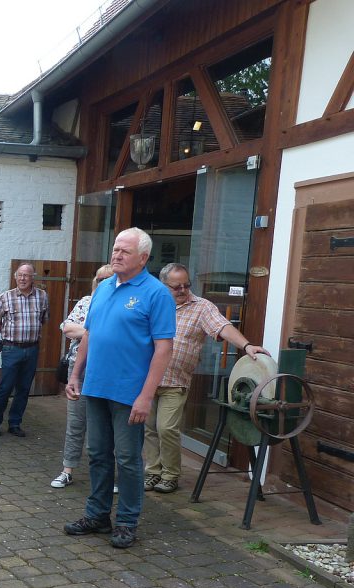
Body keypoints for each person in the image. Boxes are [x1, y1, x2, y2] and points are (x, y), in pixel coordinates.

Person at [63, 228, 176, 549]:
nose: (116, 255)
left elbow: (163, 349)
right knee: (97, 454)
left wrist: (146, 395)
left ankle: (127, 521)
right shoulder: (103, 288)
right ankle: (98, 515)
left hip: (129, 393)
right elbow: (89, 335)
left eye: (124, 251)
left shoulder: (156, 294)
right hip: (95, 387)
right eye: (115, 249)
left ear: (143, 258)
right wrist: (75, 375)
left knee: (127, 459)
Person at [143, 263, 269, 494]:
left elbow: (222, 327)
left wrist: (247, 345)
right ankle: (153, 472)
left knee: (166, 428)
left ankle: (170, 475)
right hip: (146, 379)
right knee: (149, 428)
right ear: (163, 286)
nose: (182, 290)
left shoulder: (201, 307)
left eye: (186, 285)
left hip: (175, 381)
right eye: (176, 287)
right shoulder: (152, 303)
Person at [50, 264, 115, 488]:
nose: (103, 282)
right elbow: (67, 328)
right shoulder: (86, 302)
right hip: (79, 369)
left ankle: (108, 476)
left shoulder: (118, 304)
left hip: (108, 370)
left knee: (107, 425)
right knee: (76, 422)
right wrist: (99, 334)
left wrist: (86, 333)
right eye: (99, 279)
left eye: (109, 279)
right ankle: (67, 469)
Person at [0, 263, 49, 437]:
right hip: (11, 348)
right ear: (15, 277)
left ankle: (15, 423)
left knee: (23, 388)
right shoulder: (5, 297)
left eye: (27, 275)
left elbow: (44, 319)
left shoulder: (42, 297)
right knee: (5, 387)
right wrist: (7, 333)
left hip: (32, 349)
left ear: (32, 278)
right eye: (20, 275)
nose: (23, 278)